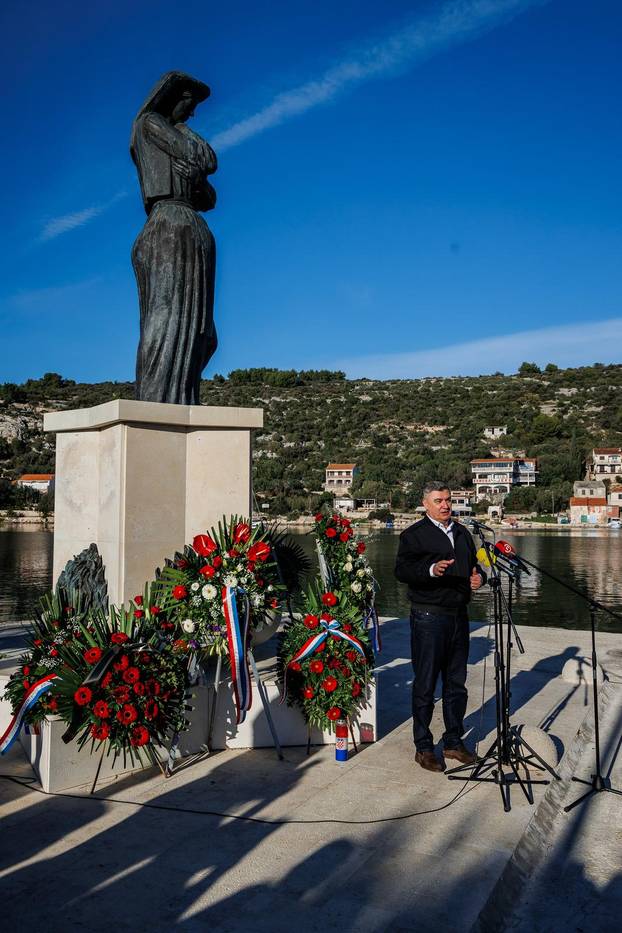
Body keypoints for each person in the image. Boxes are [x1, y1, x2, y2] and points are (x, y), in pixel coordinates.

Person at [130, 71, 218, 405]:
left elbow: (210, 196)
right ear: (172, 98)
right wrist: (196, 167)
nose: (192, 113)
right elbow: (205, 159)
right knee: (165, 322)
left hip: (189, 228)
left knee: (204, 335)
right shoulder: (151, 123)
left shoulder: (175, 134)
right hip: (169, 227)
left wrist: (196, 176)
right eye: (189, 104)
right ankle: (155, 403)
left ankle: (181, 400)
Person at [395, 482, 485, 772]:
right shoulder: (414, 535)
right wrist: (431, 570)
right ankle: (423, 747)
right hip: (428, 617)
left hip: (459, 616)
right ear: (426, 504)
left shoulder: (462, 533)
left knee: (456, 684)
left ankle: (453, 741)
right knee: (425, 683)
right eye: (439, 501)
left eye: (448, 500)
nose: (445, 505)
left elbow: (475, 566)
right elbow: (402, 571)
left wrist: (479, 578)